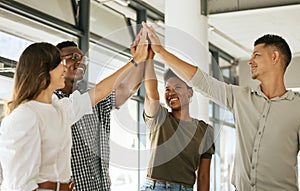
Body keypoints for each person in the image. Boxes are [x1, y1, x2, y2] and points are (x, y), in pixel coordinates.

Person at [143, 22, 300, 191]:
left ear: (274, 57)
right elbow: (203, 82)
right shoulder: (240, 98)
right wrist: (160, 51)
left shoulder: (297, 108)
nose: (250, 61)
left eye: (256, 55)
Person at [0, 34, 148, 191]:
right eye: (60, 63)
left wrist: (137, 60)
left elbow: (101, 91)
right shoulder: (25, 115)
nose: (64, 68)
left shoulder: (60, 109)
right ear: (44, 69)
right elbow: (19, 185)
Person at [54, 39, 145, 191]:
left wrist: (142, 60)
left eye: (84, 59)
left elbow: (128, 88)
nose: (81, 62)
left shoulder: (91, 99)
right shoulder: (52, 102)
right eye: (74, 57)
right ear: (55, 63)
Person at [140, 36, 214, 191]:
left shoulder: (205, 130)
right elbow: (152, 94)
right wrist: (149, 59)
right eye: (167, 89)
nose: (171, 93)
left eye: (178, 87)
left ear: (190, 93)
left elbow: (203, 177)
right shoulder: (160, 118)